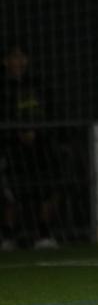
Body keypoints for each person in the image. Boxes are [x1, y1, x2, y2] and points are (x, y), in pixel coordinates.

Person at [1, 42, 62, 250]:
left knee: (48, 188)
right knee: (12, 193)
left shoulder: (37, 84)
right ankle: (8, 237)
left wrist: (37, 132)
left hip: (41, 146)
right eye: (13, 57)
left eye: (21, 57)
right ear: (5, 61)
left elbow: (51, 111)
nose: (18, 61)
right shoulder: (3, 88)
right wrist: (17, 132)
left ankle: (44, 234)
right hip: (12, 148)